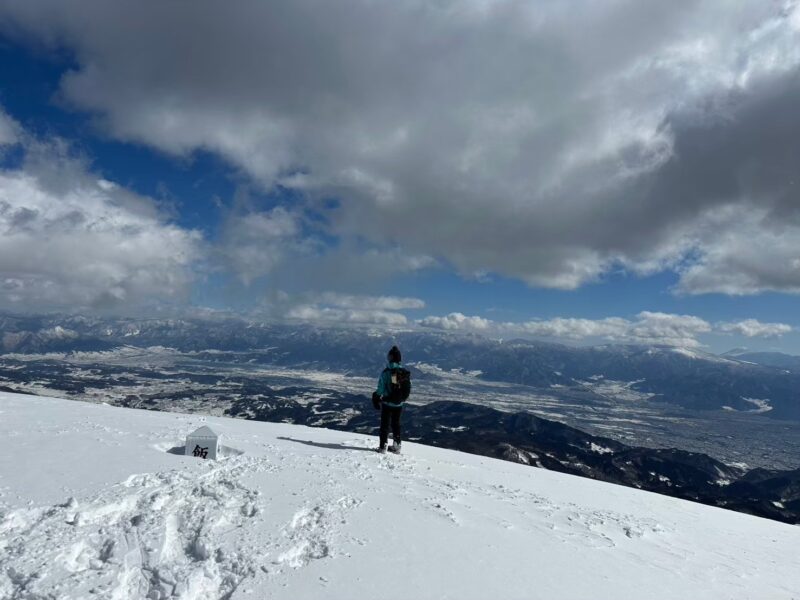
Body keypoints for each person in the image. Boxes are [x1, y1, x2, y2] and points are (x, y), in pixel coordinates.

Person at [372, 345, 411, 454]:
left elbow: (380, 389)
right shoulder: (403, 372)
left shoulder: (386, 372)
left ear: (391, 358)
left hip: (387, 403)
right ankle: (397, 446)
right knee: (396, 424)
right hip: (399, 404)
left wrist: (376, 396)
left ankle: (383, 447)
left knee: (385, 425)